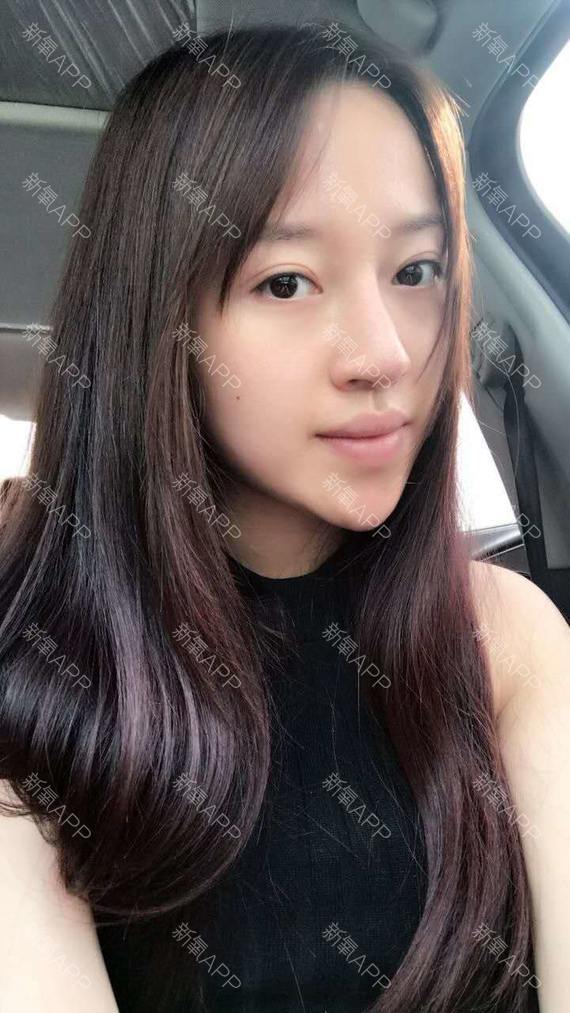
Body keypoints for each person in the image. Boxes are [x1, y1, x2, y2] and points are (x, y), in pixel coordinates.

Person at [1, 20, 567, 1013]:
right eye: (288, 281)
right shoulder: (40, 686)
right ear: (161, 319)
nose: (387, 353)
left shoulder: (504, 633)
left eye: (417, 271)